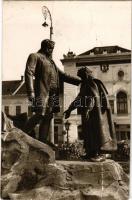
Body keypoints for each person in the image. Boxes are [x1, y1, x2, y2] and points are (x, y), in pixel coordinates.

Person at [24, 39, 81, 146]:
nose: (51, 51)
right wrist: (30, 91)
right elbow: (29, 72)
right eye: (50, 48)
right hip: (42, 92)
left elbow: (63, 75)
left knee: (48, 116)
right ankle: (21, 134)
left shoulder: (51, 62)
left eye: (52, 49)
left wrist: (79, 81)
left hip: (53, 94)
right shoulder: (35, 56)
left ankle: (41, 143)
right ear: (45, 47)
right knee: (40, 114)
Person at [64, 67, 117, 162]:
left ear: (86, 74)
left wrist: (88, 109)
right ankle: (91, 152)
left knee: (97, 132)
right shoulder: (84, 84)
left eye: (81, 76)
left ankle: (100, 154)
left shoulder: (91, 82)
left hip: (96, 113)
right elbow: (79, 99)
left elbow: (93, 97)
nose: (80, 78)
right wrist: (69, 110)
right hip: (90, 112)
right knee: (89, 132)